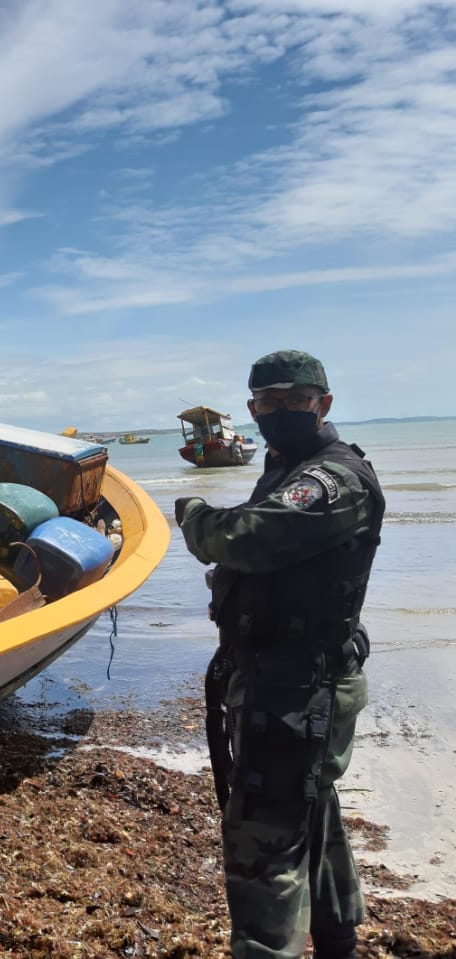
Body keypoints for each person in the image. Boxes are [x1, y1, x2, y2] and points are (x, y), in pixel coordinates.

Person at [174, 350, 385, 959]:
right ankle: (337, 939)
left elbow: (245, 537)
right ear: (252, 409)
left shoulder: (332, 478)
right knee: (306, 813)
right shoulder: (288, 465)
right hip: (282, 677)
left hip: (298, 688)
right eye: (269, 402)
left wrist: (194, 515)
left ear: (324, 404)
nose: (281, 411)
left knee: (263, 844)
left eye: (295, 400)